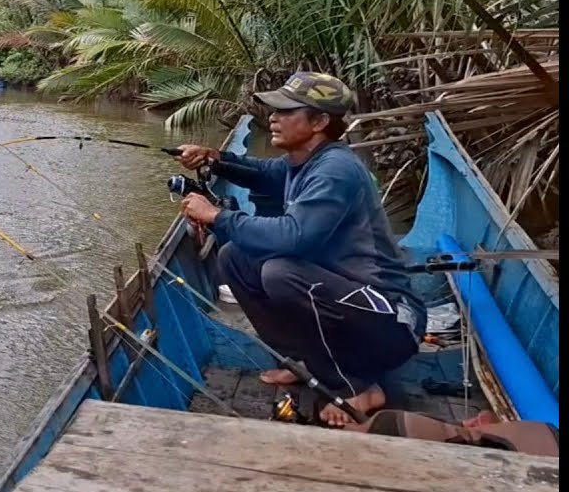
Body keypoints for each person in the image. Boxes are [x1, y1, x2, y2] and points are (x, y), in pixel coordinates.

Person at [172, 71, 425, 427]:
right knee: (235, 258)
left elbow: (293, 237)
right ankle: (304, 361)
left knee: (281, 272)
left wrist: (216, 216)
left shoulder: (335, 169)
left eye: (286, 111)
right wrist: (214, 158)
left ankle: (358, 387)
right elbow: (264, 173)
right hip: (352, 308)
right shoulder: (304, 161)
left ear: (320, 121)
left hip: (391, 323)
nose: (273, 117)